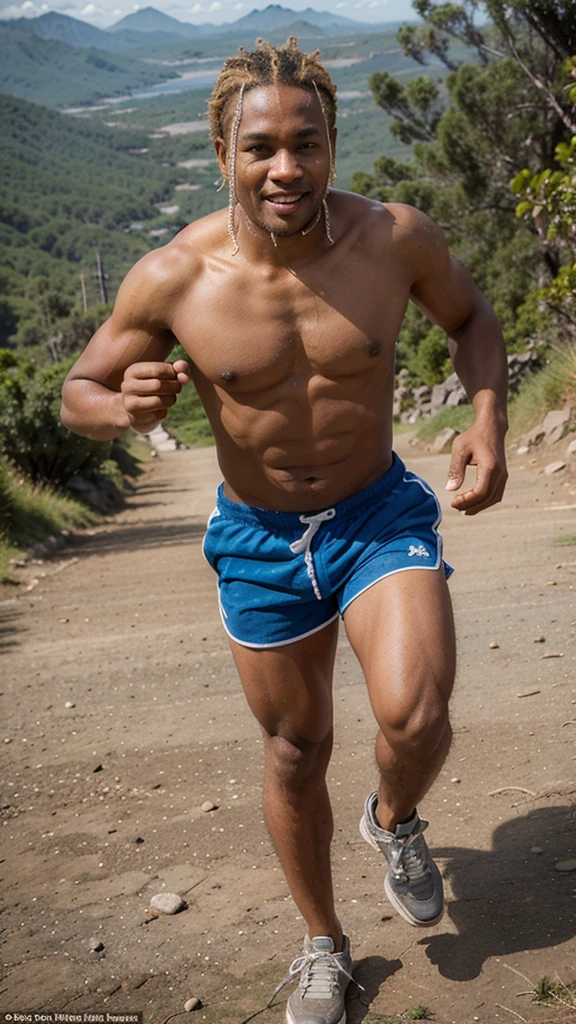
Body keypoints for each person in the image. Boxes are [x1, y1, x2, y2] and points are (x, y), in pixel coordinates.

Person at [61, 37, 508, 1024]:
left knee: (417, 714)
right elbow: (78, 391)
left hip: (376, 513)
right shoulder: (174, 276)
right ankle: (323, 944)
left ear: (332, 144)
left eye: (307, 144)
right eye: (261, 146)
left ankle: (393, 819)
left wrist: (484, 419)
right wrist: (123, 406)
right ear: (224, 147)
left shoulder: (394, 239)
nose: (286, 169)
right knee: (295, 749)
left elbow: (473, 319)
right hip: (260, 539)